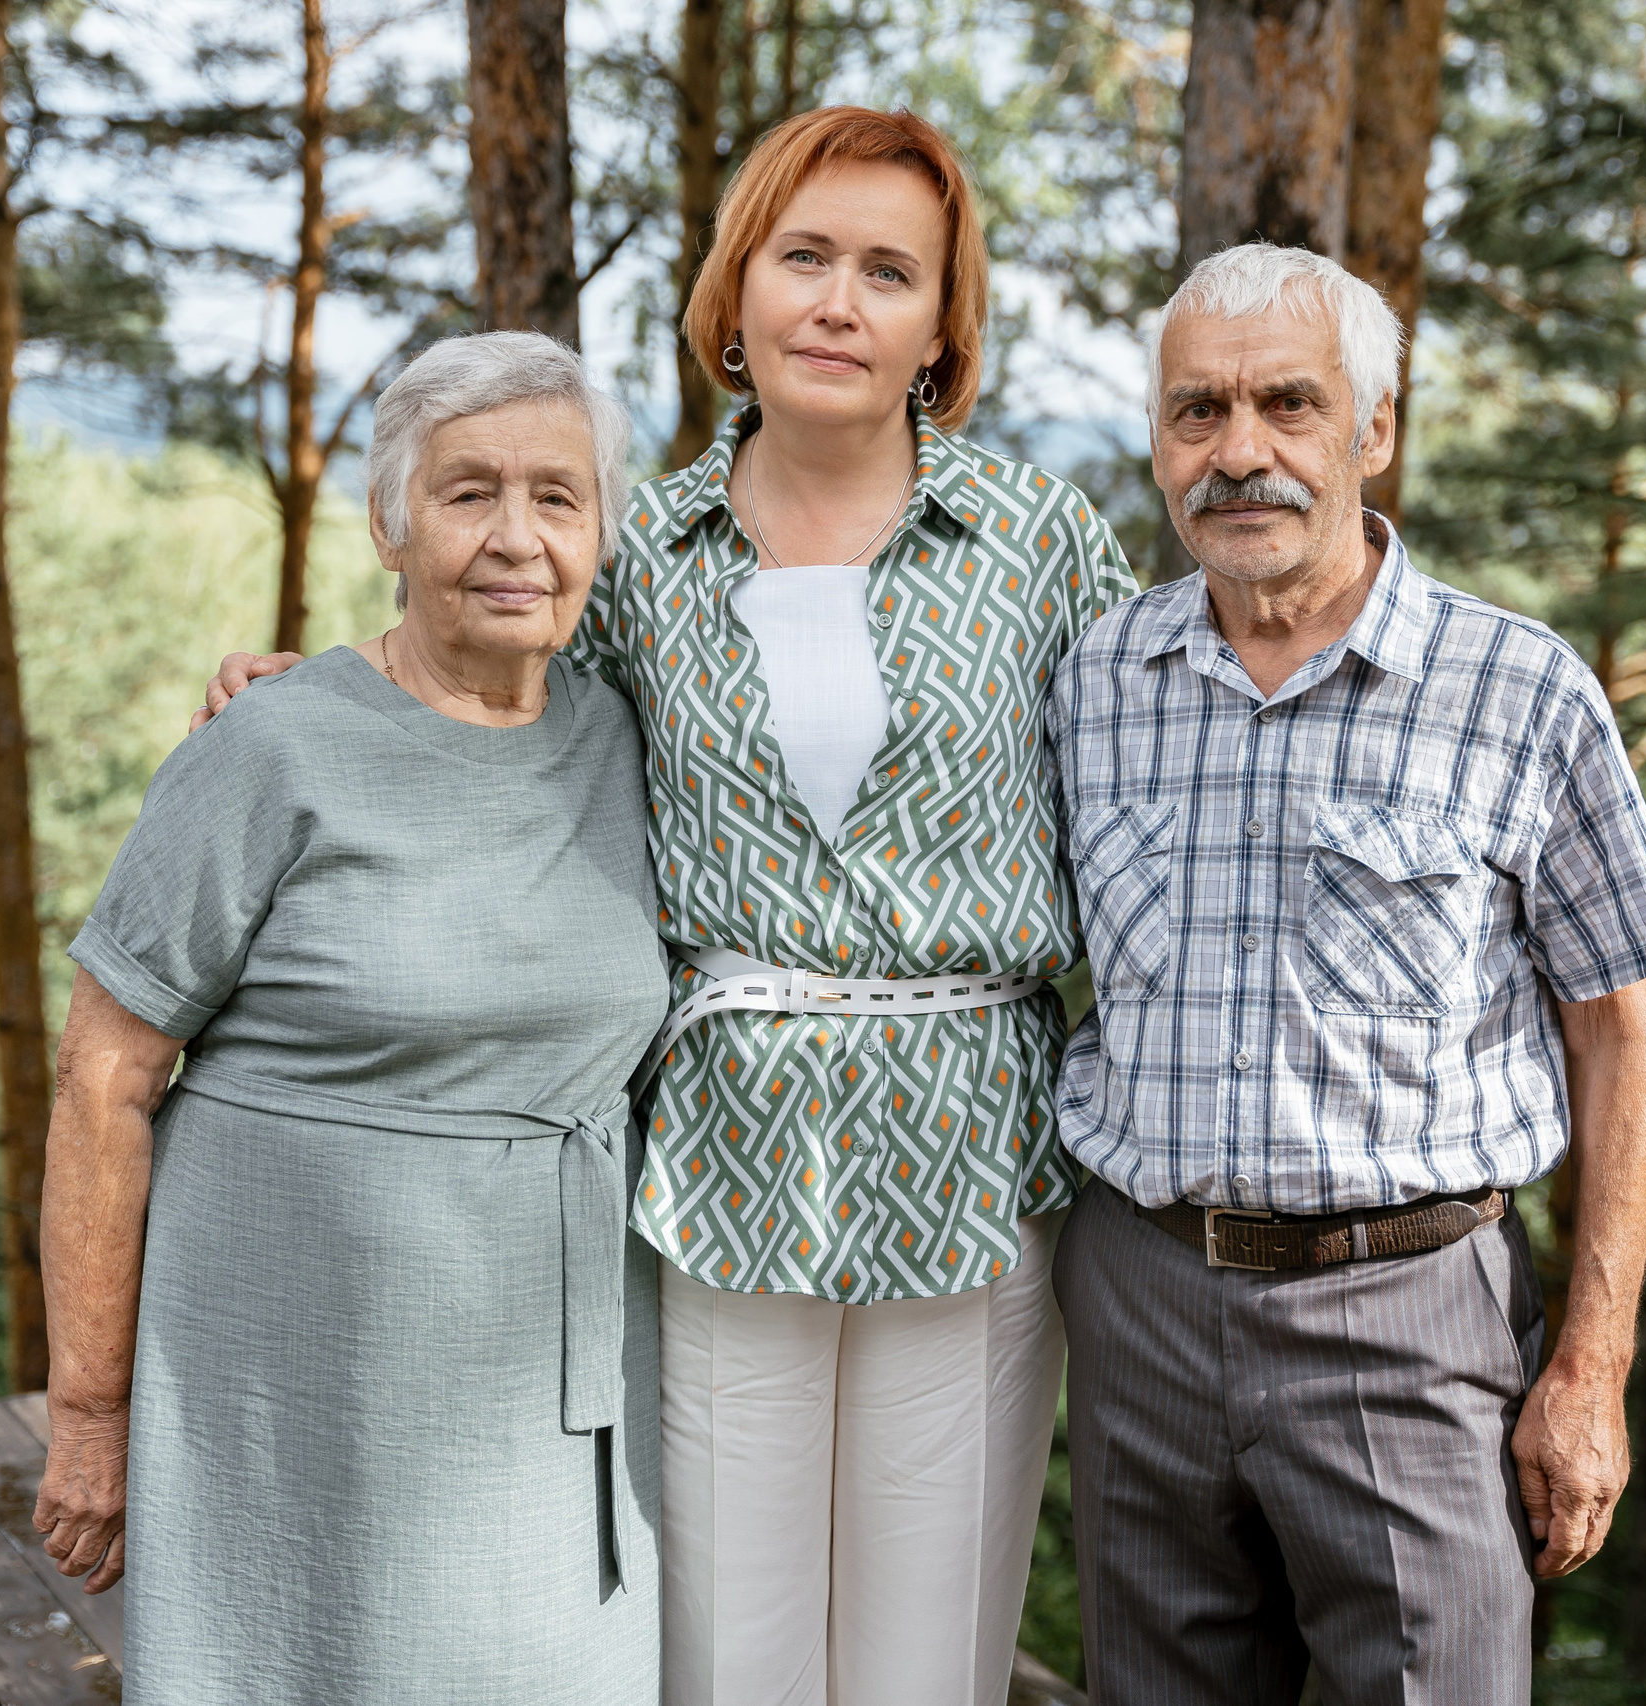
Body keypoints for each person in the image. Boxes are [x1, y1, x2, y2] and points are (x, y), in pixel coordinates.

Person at [197, 106, 1137, 1706]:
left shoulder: (1040, 542)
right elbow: (488, 707)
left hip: (974, 1147)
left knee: (934, 1649)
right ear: (739, 290)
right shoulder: (640, 557)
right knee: (725, 1648)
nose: (840, 302)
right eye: (806, 257)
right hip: (721, 1152)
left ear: (940, 323)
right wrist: (308, 693)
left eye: (889, 272)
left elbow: (1157, 772)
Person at [1046, 242, 1646, 1703]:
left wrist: (1588, 1371)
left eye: (1289, 403)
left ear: (1374, 429)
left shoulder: (1520, 689)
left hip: (1409, 1317)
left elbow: (1619, 1027)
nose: (1241, 452)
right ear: (1158, 438)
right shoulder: (1093, 684)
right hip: (1140, 1303)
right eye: (1197, 411)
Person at [31, 332, 664, 1706]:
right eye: (466, 492)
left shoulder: (632, 733)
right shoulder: (269, 748)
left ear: (602, 530)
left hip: (548, 1396)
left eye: (557, 497)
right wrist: (88, 1412)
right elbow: (102, 1077)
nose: (516, 537)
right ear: (390, 520)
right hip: (289, 1379)